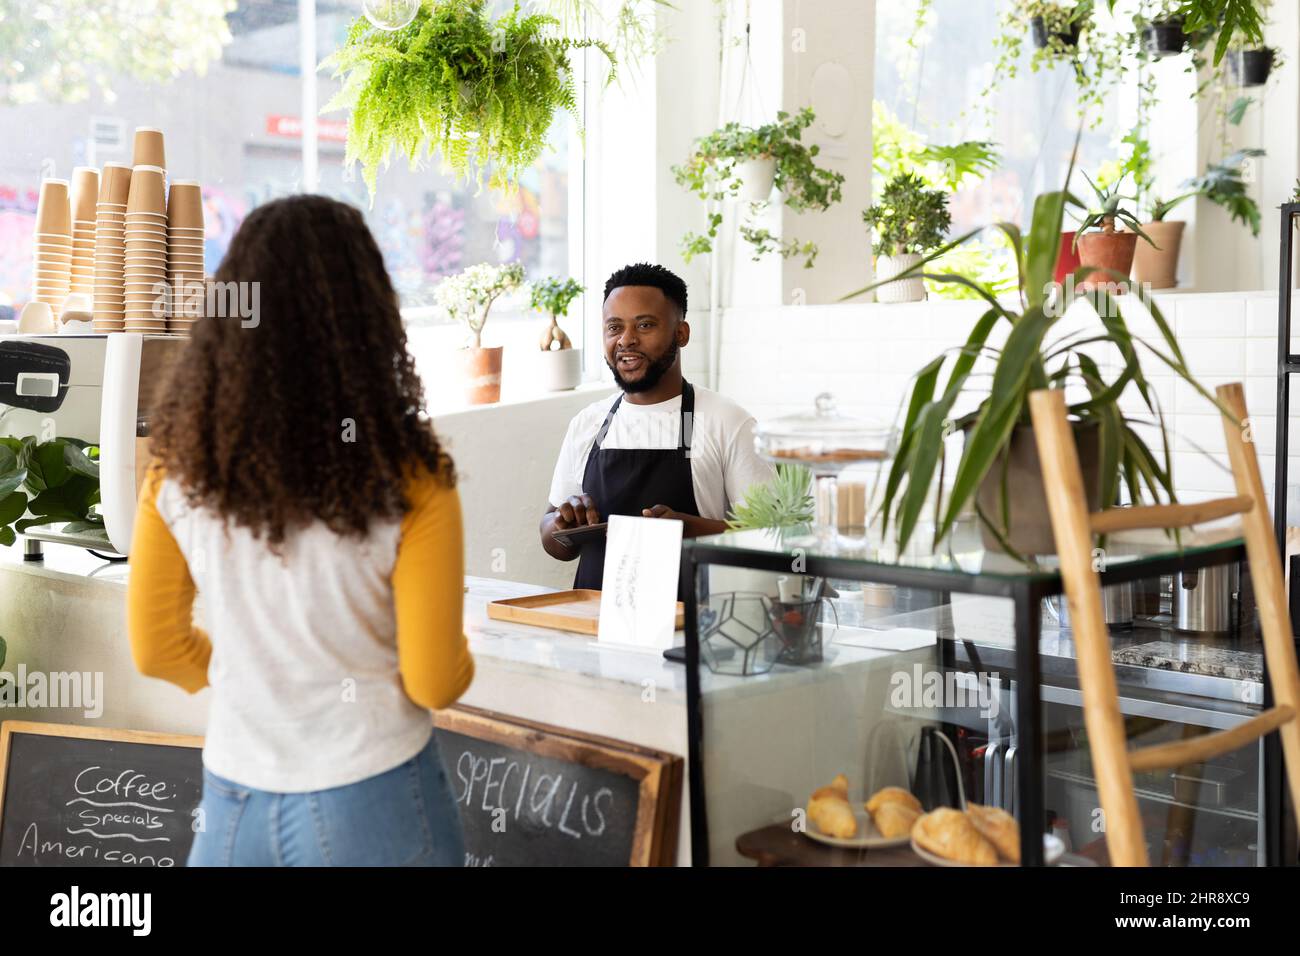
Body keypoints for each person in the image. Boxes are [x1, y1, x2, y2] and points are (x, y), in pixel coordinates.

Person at [126, 195, 473, 867]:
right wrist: (462, 654)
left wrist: (252, 678)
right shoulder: (411, 476)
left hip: (233, 808)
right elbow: (433, 680)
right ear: (368, 317)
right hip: (374, 801)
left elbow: (155, 649)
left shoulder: (178, 473)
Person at [539, 262, 773, 598]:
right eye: (614, 327)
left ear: (682, 333)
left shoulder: (728, 421)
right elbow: (554, 542)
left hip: (693, 628)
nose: (627, 340)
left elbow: (773, 538)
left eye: (645, 325)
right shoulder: (588, 423)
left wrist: (690, 529)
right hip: (594, 625)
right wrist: (564, 526)